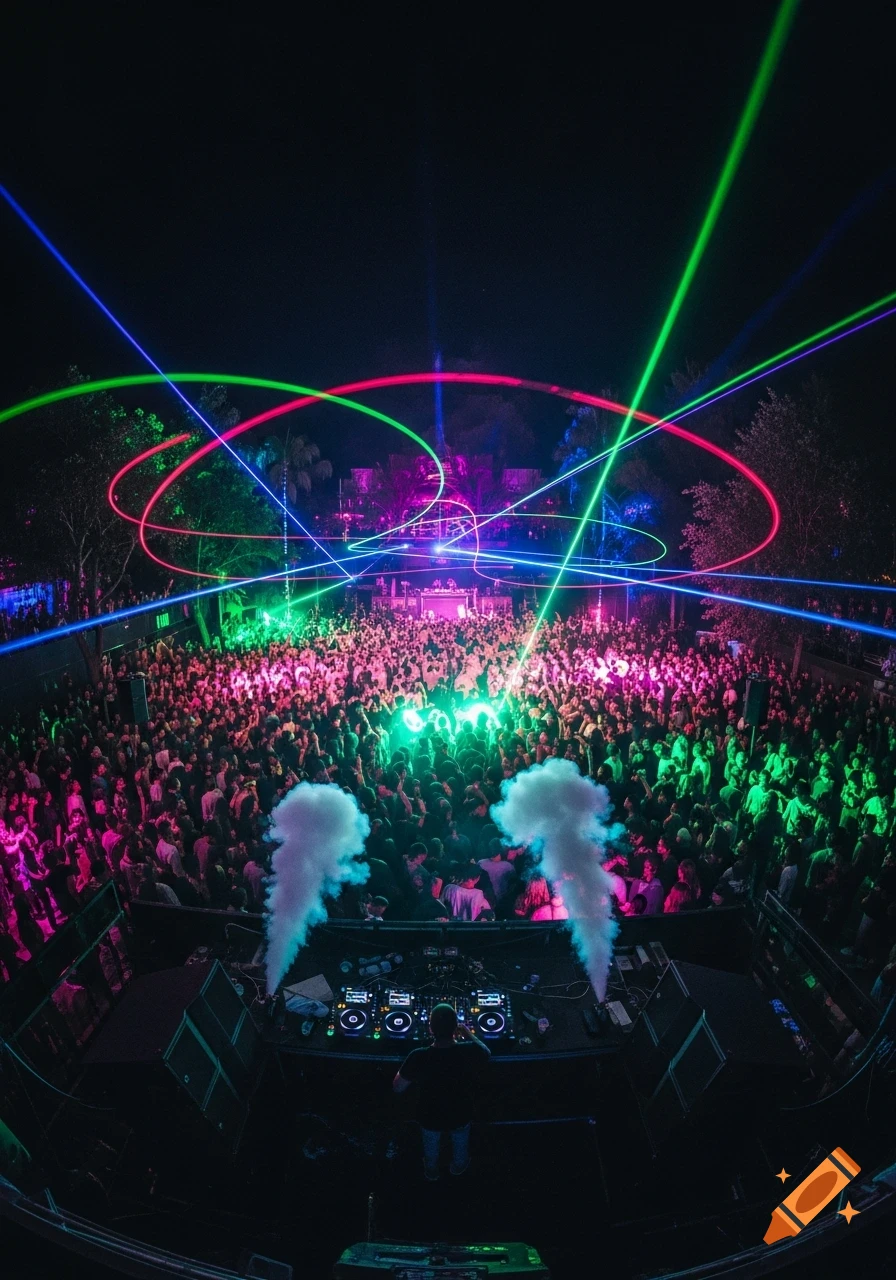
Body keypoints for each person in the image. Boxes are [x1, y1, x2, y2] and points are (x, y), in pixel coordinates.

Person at [392, 1002, 490, 1181]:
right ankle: (458, 1168)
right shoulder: (469, 1051)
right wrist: (468, 1033)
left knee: (431, 1145)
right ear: (455, 1029)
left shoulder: (417, 1056)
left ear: (430, 1029)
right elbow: (486, 1052)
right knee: (461, 1144)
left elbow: (397, 1088)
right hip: (461, 1113)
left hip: (429, 1116)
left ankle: (431, 1171)